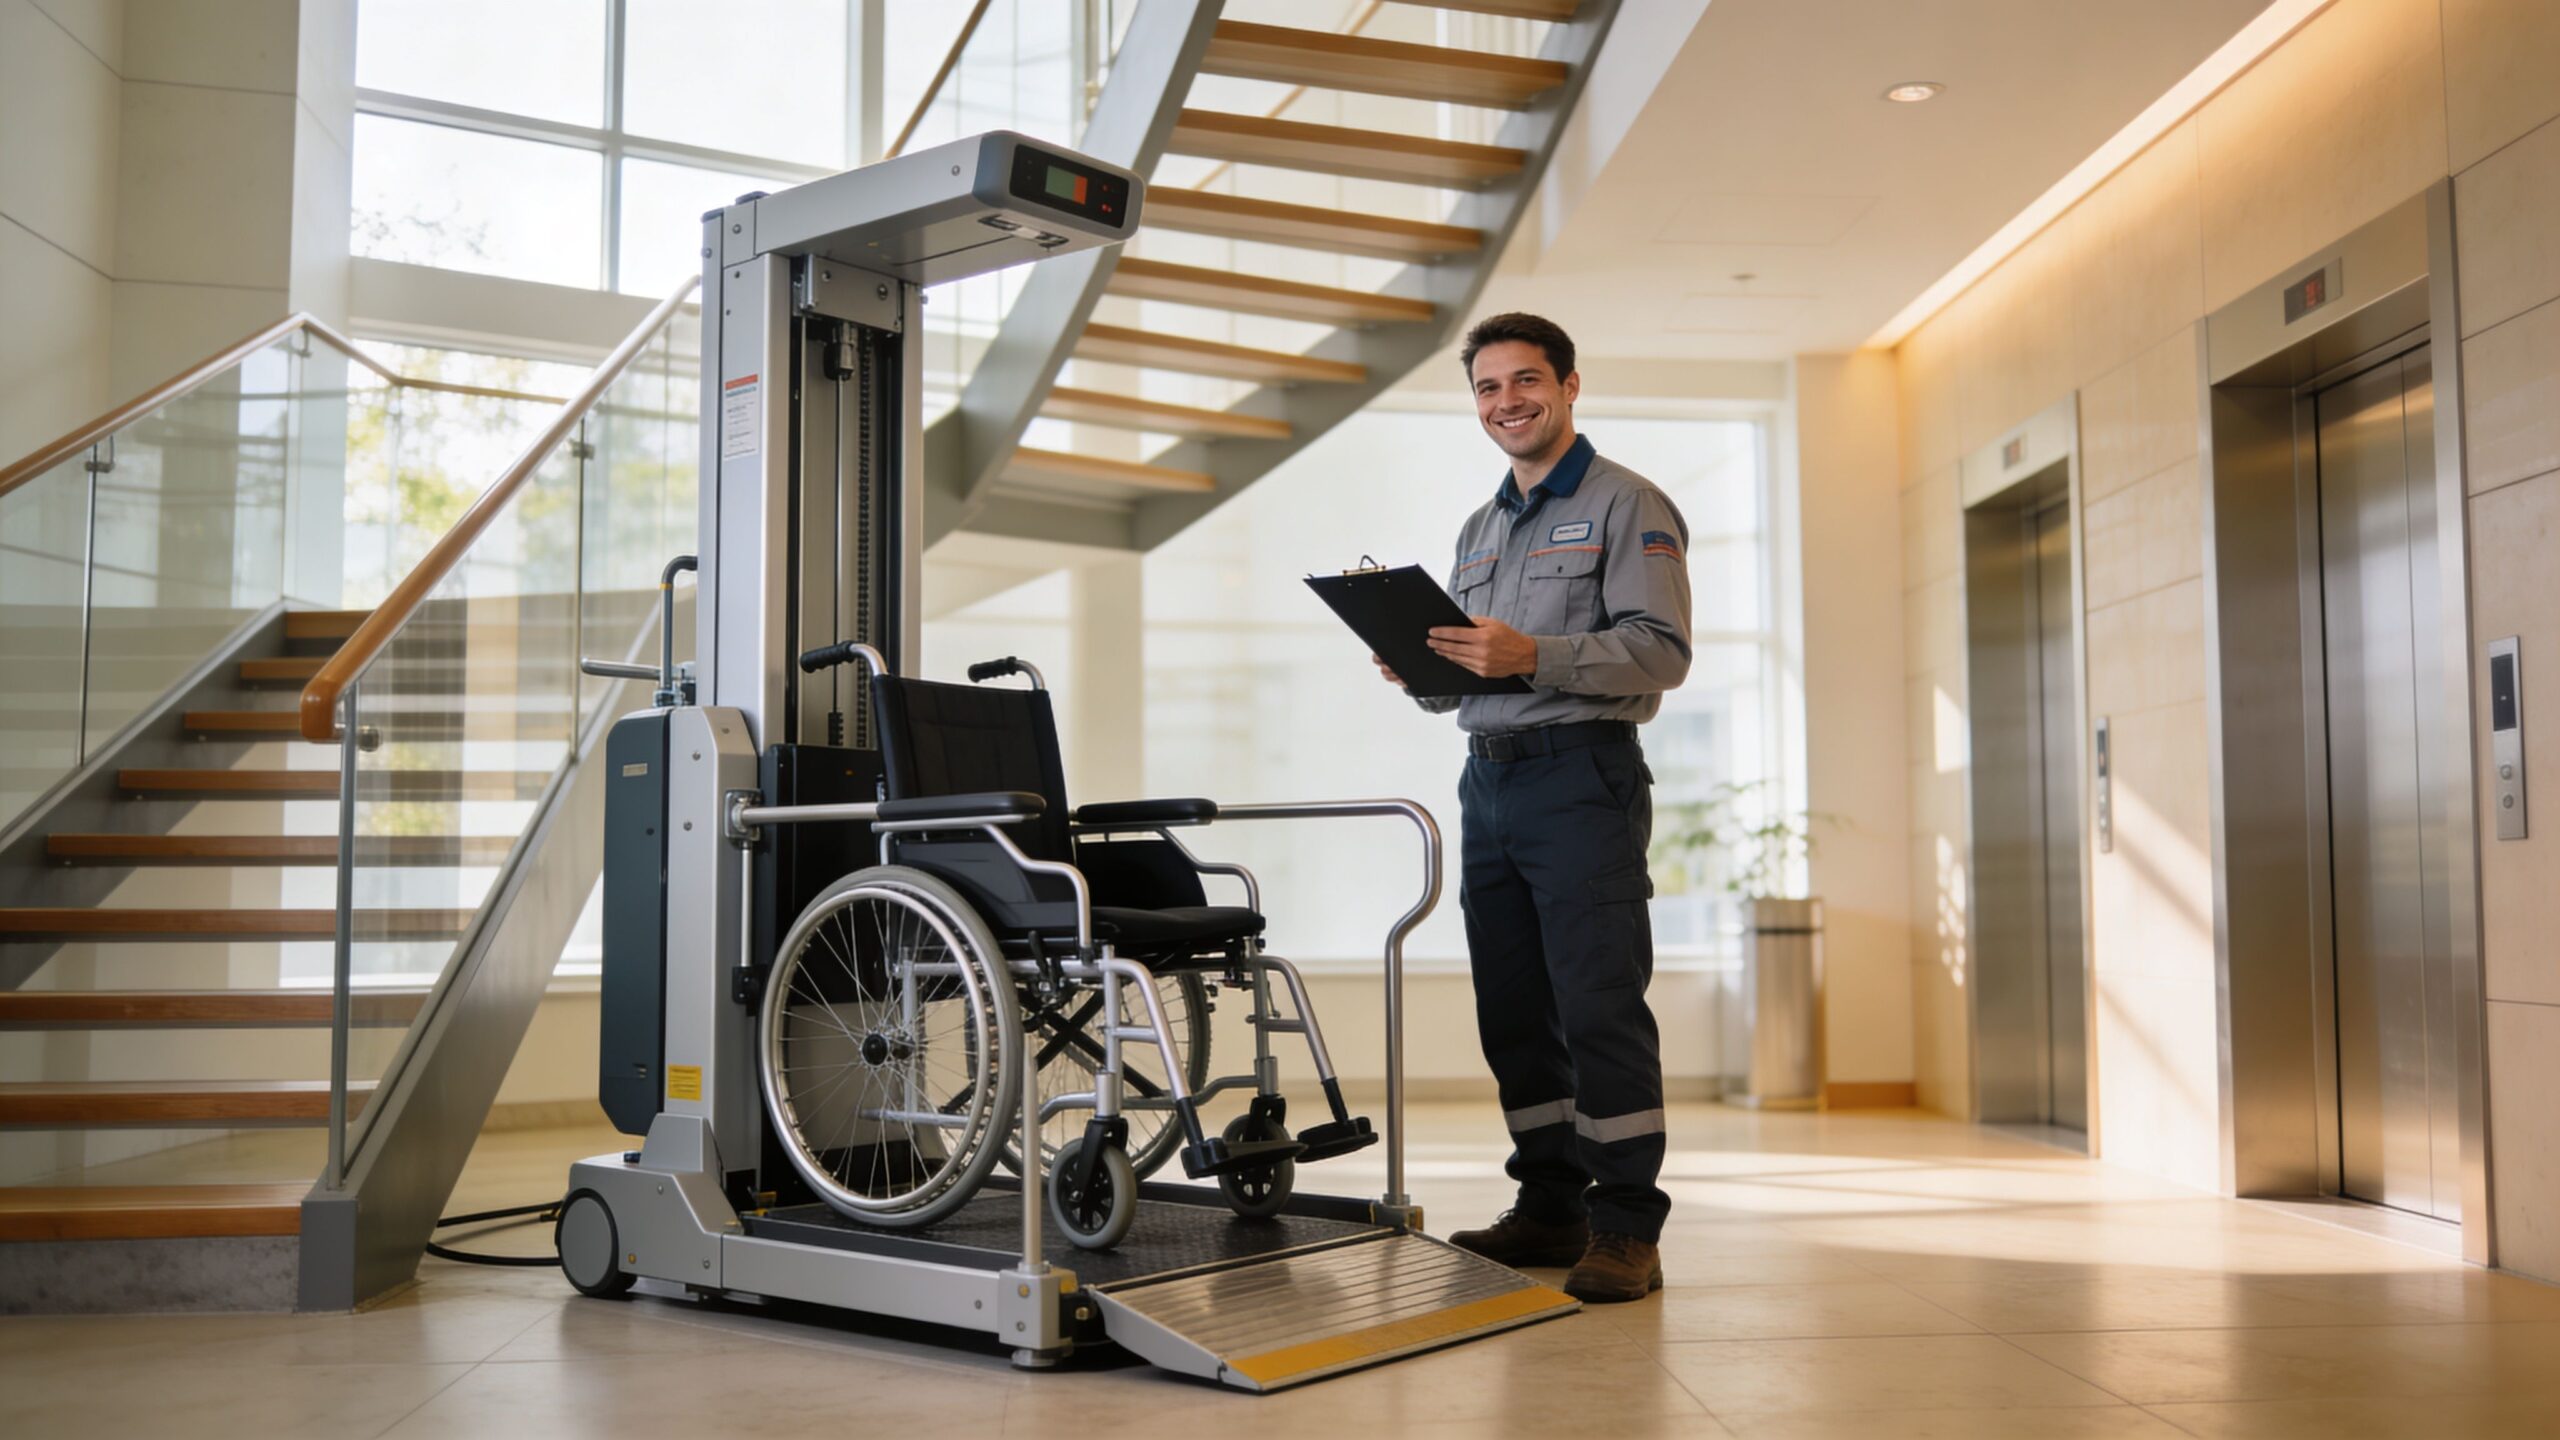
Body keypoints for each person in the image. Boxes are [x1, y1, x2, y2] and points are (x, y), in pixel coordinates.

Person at [1374, 312, 1690, 1304]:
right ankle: (1551, 1205)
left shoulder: (1625, 503)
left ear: (1568, 385)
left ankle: (1627, 1226)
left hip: (1580, 779)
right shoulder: (1478, 530)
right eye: (1485, 387)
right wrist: (1416, 667)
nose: (1505, 400)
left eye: (1524, 380)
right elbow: (1465, 684)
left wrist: (1533, 654)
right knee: (1514, 1010)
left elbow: (1662, 650)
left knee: (1597, 1003)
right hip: (1490, 781)